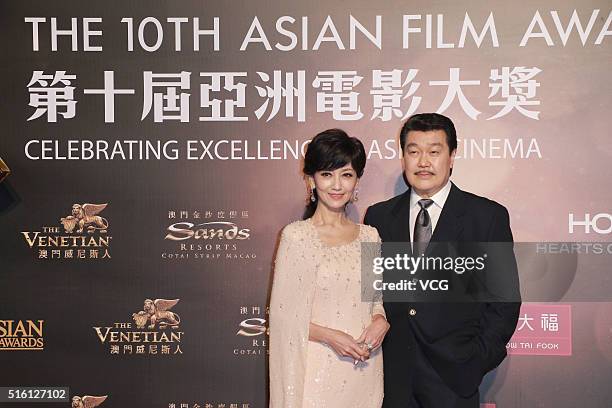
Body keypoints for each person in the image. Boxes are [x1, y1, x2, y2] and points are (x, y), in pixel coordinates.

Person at [364, 113, 521, 408]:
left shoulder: (486, 217)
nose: (423, 162)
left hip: (453, 380)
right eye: (414, 151)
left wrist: (473, 361)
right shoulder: (379, 216)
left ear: (452, 157)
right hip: (390, 381)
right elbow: (370, 292)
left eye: (434, 152)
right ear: (403, 157)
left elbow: (505, 303)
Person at [269, 129, 390, 408]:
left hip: (363, 369)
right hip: (316, 373)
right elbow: (283, 317)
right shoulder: (296, 236)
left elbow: (375, 301)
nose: (337, 185)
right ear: (311, 180)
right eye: (326, 174)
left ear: (356, 181)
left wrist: (380, 321)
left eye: (346, 175)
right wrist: (331, 337)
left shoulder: (370, 236)